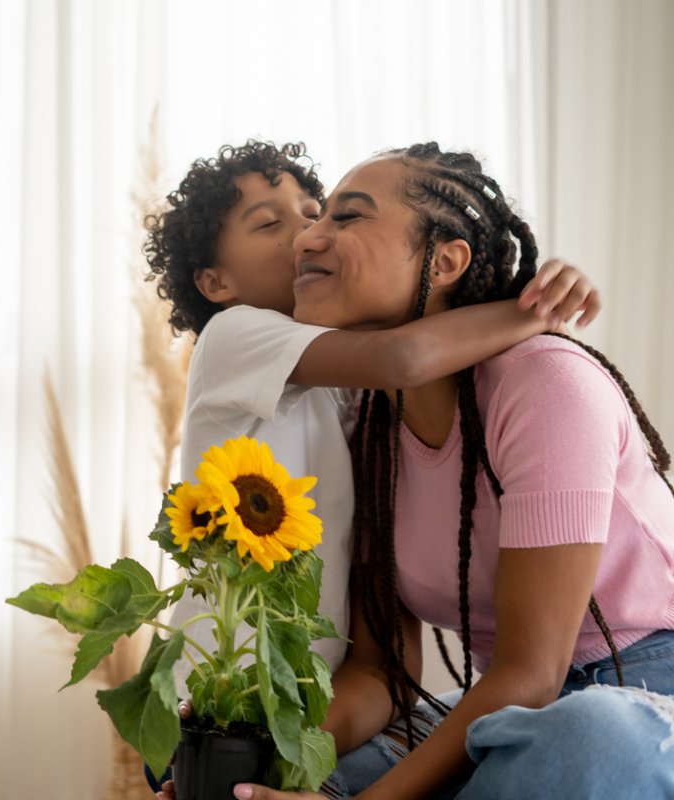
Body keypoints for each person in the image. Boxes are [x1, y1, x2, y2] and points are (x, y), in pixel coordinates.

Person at [212, 144, 674, 799]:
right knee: (273, 779)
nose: (307, 238)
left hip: (641, 688)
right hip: (509, 705)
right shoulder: (368, 423)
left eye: (345, 217)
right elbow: (380, 671)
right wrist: (264, 745)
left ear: (448, 260)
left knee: (586, 737)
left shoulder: (545, 382)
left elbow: (533, 673)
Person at [143, 141, 599, 682]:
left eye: (314, 213)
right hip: (215, 678)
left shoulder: (345, 375)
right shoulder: (235, 335)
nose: (306, 235)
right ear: (217, 283)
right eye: (269, 225)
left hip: (307, 694)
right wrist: (534, 308)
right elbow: (403, 356)